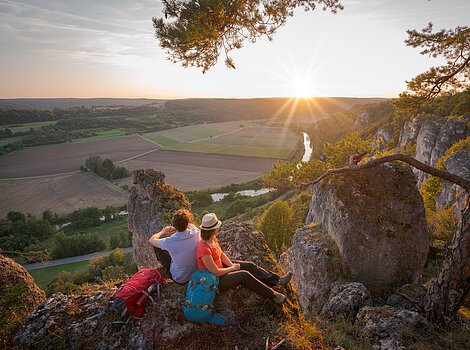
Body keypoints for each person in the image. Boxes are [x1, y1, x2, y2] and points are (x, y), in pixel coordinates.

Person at [196, 212, 292, 304]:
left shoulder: (212, 239)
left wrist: (232, 265)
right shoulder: (204, 249)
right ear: (214, 229)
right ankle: (274, 295)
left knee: (250, 265)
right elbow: (215, 272)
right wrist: (233, 268)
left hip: (220, 268)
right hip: (215, 281)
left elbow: (221, 254)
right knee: (244, 275)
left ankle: (277, 280)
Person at [148, 209, 200, 284]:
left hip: (180, 279)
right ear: (187, 222)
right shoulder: (196, 232)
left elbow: (151, 240)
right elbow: (191, 226)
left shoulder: (170, 241)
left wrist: (163, 231)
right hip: (196, 274)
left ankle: (165, 269)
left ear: (174, 224)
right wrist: (182, 224)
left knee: (157, 246)